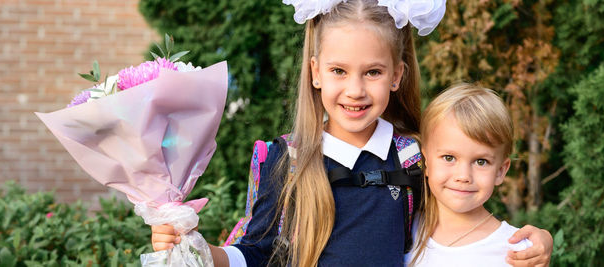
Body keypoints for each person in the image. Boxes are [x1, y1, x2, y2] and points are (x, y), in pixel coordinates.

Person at [151, 1, 553, 266]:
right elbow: (256, 252)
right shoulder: (284, 160)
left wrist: (534, 242)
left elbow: (461, 219)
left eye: (373, 72)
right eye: (339, 71)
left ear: (397, 75)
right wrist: (196, 249)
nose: (356, 90)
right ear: (315, 72)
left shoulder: (415, 156)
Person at [405, 84, 537, 266]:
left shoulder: (518, 252)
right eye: (449, 157)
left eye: (481, 162)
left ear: (500, 171)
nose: (463, 176)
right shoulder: (404, 225)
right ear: (426, 161)